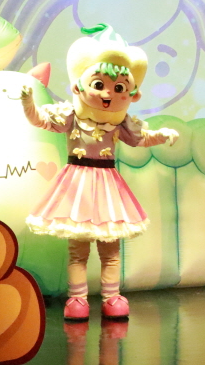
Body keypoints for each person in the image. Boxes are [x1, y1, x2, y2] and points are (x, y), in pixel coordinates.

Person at [21, 24, 179, 320]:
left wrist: (161, 135)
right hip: (77, 185)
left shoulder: (120, 123)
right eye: (99, 84)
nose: (108, 93)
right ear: (79, 87)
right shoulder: (71, 116)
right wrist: (28, 103)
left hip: (107, 186)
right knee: (78, 250)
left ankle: (112, 296)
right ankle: (77, 299)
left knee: (111, 250)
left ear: (132, 94)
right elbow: (41, 120)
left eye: (119, 88)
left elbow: (141, 139)